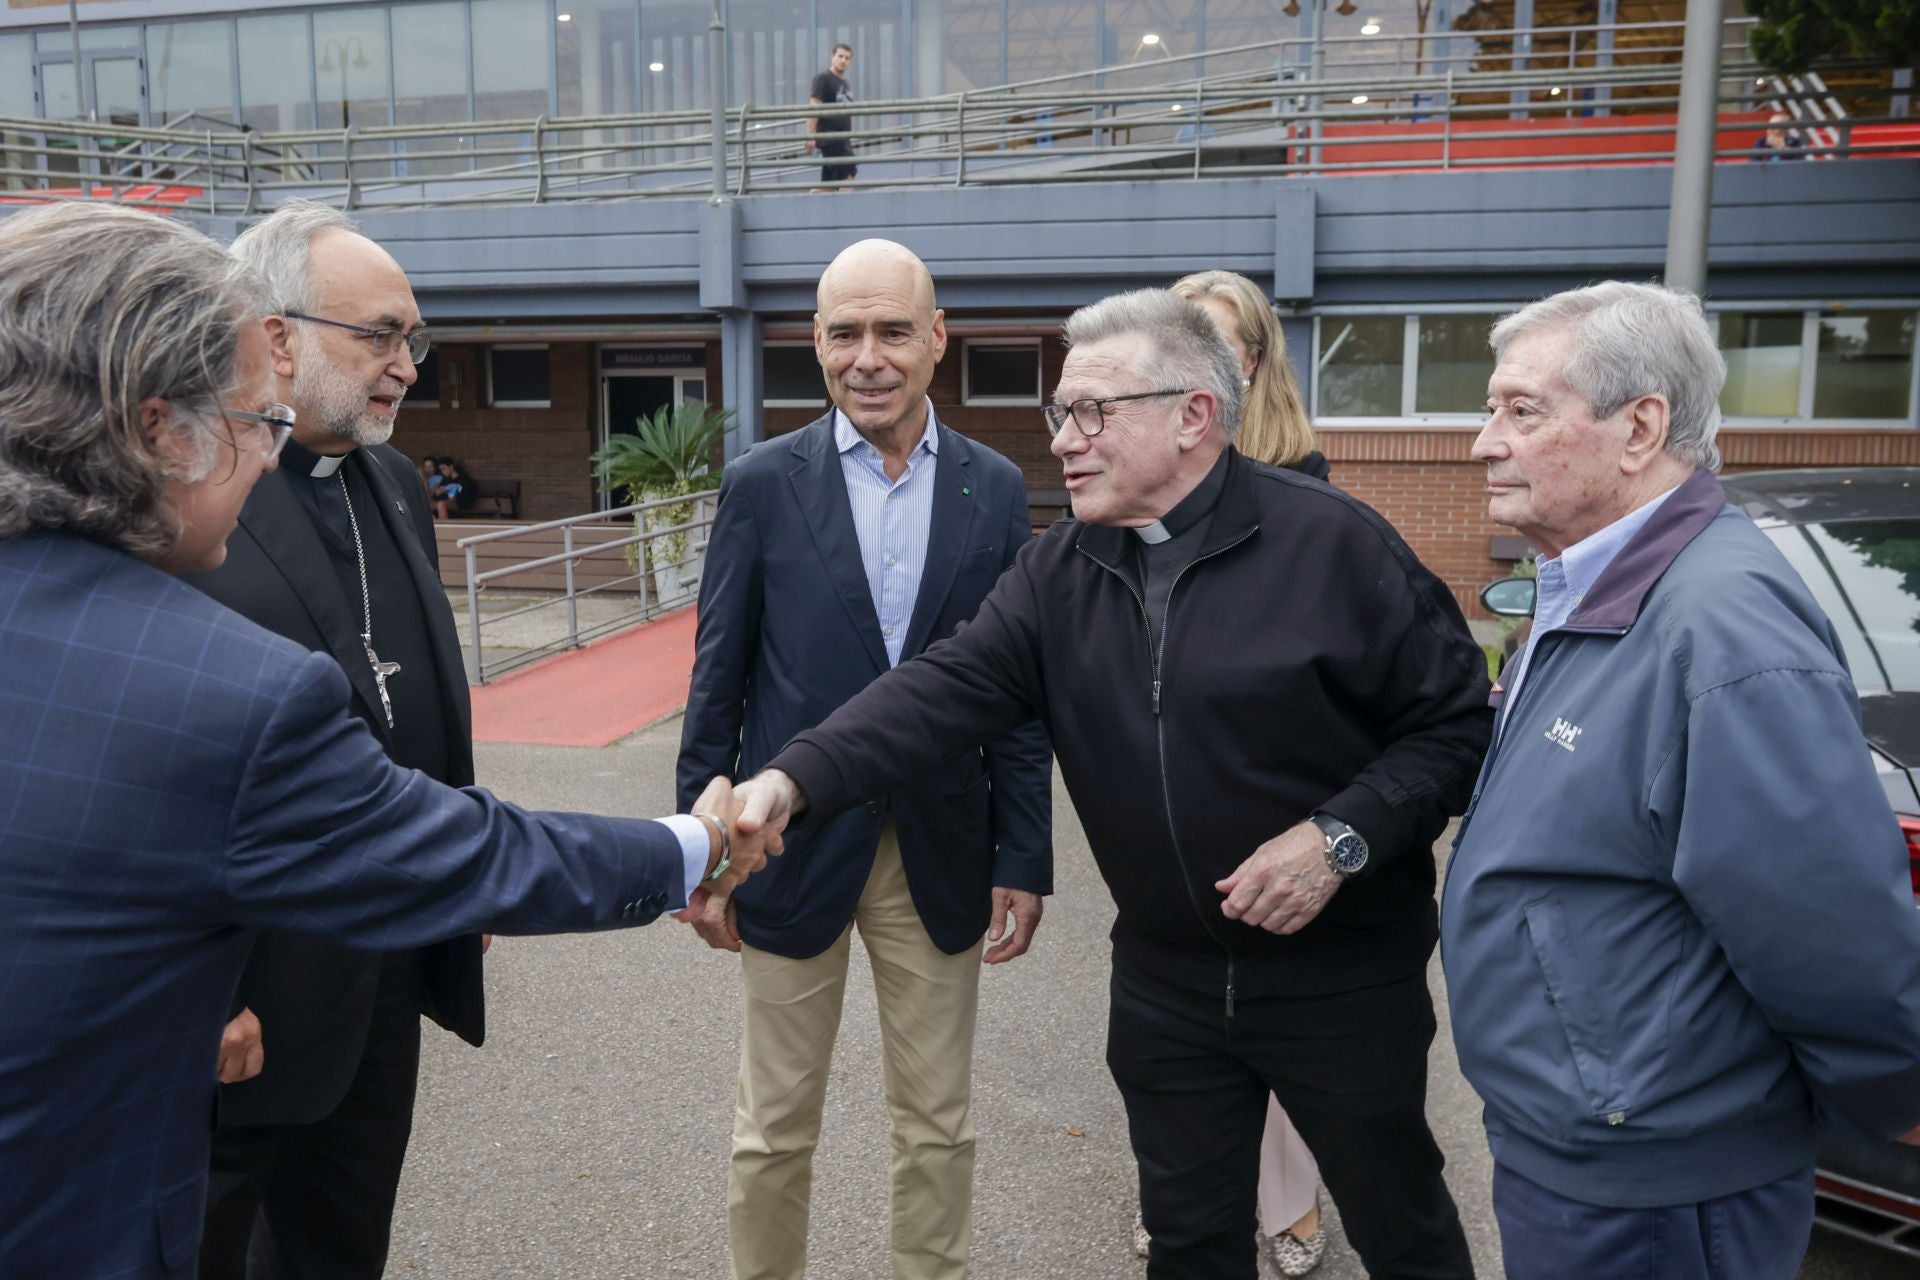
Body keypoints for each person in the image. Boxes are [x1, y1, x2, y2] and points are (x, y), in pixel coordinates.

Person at [0, 202, 773, 1279]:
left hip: (381, 963)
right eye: (247, 421)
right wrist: (695, 845)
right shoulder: (209, 670)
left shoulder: (391, 485)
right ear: (159, 419)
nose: (265, 455)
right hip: (196, 1039)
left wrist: (453, 900)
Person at [724, 288, 1491, 1280]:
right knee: (1188, 1242)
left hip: (1337, 979)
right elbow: (939, 690)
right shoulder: (1061, 569)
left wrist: (1337, 838)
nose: (1065, 442)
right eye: (1059, 413)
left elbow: (1455, 727)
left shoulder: (1337, 546)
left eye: (1093, 412)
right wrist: (794, 777)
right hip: (1166, 983)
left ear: (1193, 416)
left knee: (1402, 1225)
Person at [1445, 281, 1920, 1280]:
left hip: (1660, 1170)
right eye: (1493, 409)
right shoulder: (1593, 577)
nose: (1484, 440)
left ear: (1639, 427)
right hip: (1593, 1142)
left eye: (1520, 410)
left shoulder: (1721, 624)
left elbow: (1821, 919)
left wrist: (1896, 1095)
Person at [676, 238, 1052, 1280]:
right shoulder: (760, 485)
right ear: (816, 343)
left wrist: (1024, 849)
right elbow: (719, 679)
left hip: (941, 847)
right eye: (845, 332)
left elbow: (1018, 692)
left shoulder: (997, 486)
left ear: (938, 339)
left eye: (893, 329)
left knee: (937, 1123)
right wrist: (695, 854)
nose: (868, 355)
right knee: (772, 1128)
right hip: (784, 848)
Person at [179, 202, 471, 1280]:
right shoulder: (189, 488)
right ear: (277, 333)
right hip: (244, 988)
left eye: (413, 339)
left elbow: (419, 700)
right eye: (380, 335)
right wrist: (199, 989)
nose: (406, 364)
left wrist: (459, 876)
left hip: (384, 962)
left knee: (342, 1249)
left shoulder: (394, 483)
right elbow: (151, 770)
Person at [1164, 269, 1328, 1276]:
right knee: (1179, 1023)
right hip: (1176, 787)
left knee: (1282, 1013)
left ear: (1257, 364)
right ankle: (1183, 1191)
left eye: (1225, 347)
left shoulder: (1304, 483)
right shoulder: (1141, 487)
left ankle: (1292, 1197)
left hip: (1275, 783)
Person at [807, 42, 858, 191]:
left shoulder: (844, 83)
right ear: (832, 57)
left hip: (842, 138)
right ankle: (848, 208)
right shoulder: (823, 78)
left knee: (829, 184)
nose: (843, 60)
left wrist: (848, 139)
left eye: (847, 58)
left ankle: (815, 200)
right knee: (849, 169)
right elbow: (814, 105)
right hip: (831, 137)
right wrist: (810, 135)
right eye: (840, 56)